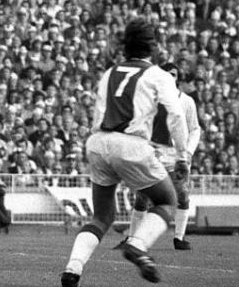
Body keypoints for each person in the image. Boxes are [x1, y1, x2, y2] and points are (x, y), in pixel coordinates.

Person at [61, 19, 189, 286]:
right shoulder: (159, 75)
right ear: (152, 46)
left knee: (102, 217)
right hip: (131, 144)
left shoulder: (109, 73)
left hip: (98, 142)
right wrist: (182, 156)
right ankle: (137, 245)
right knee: (167, 200)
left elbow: (99, 112)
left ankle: (73, 269)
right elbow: (176, 115)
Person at [118, 62, 201, 251]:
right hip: (153, 154)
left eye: (173, 74)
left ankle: (179, 238)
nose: (170, 77)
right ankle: (132, 238)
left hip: (177, 157)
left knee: (182, 195)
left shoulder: (186, 101)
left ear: (177, 78)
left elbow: (195, 129)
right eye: (166, 73)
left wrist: (188, 152)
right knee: (143, 196)